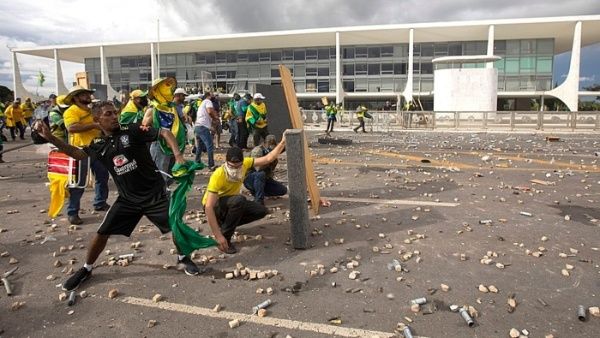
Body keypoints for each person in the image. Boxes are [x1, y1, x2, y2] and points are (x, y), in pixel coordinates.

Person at [34, 101, 206, 291]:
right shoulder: (98, 144)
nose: (114, 116)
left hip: (154, 195)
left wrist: (179, 156)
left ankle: (183, 257)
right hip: (128, 200)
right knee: (102, 233)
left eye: (115, 113)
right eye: (108, 114)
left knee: (175, 226)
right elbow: (76, 153)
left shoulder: (131, 129)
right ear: (97, 119)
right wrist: (50, 137)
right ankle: (87, 269)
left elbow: (164, 132)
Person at [203, 139, 286, 254]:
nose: (235, 170)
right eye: (232, 166)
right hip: (216, 207)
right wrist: (218, 235)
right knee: (239, 200)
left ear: (242, 163)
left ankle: (226, 224)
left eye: (238, 166)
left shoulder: (246, 163)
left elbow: (268, 158)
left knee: (260, 210)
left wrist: (282, 142)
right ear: (226, 163)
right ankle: (225, 239)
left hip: (231, 203)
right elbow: (208, 207)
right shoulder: (218, 175)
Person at [63, 86, 110, 225]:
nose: (88, 96)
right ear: (76, 98)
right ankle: (72, 212)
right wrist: (94, 126)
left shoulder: (90, 110)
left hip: (96, 148)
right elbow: (71, 128)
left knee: (103, 176)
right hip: (80, 151)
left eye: (88, 94)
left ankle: (100, 202)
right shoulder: (71, 111)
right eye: (84, 94)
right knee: (78, 183)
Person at [142, 78, 187, 186]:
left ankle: (163, 193)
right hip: (160, 145)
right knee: (160, 176)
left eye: (169, 87)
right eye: (165, 87)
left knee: (171, 175)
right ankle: (160, 198)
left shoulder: (172, 108)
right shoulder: (153, 109)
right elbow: (144, 127)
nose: (169, 90)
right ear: (157, 91)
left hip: (174, 145)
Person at [244, 135, 287, 205]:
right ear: (265, 144)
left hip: (263, 179)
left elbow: (270, 172)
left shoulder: (271, 152)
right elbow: (258, 168)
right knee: (260, 175)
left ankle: (258, 191)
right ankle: (258, 201)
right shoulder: (257, 151)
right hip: (250, 178)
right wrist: (269, 159)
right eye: (270, 145)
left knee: (282, 190)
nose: (271, 148)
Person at [193, 91, 218, 169]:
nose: (214, 95)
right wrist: (215, 118)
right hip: (202, 127)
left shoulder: (202, 104)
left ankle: (197, 162)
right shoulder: (208, 101)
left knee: (200, 146)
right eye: (212, 94)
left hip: (198, 126)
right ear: (208, 96)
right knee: (210, 145)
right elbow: (209, 111)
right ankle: (211, 165)